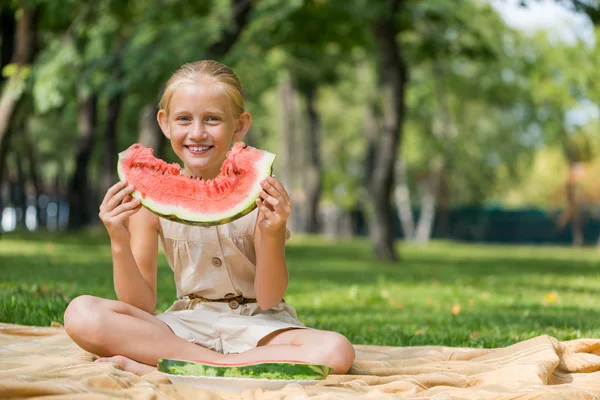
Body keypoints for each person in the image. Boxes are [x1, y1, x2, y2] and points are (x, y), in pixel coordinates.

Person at [63, 60, 355, 376]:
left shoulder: (262, 195)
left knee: (337, 351)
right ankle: (221, 367)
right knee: (81, 313)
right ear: (165, 123)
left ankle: (170, 366)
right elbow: (141, 304)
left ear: (240, 125)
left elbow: (269, 298)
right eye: (184, 119)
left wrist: (273, 232)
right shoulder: (148, 203)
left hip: (259, 326)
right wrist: (118, 240)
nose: (197, 133)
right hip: (184, 324)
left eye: (212, 119)